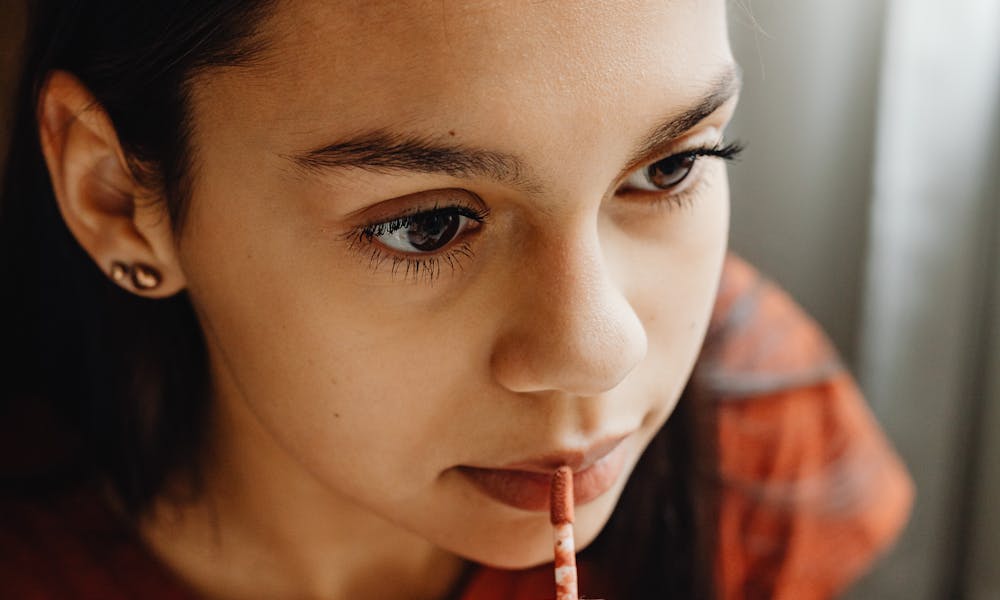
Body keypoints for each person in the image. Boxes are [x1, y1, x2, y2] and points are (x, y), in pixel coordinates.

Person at [0, 1, 913, 598]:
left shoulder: (747, 426)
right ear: (117, 197)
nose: (602, 349)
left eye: (670, 168)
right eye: (429, 225)